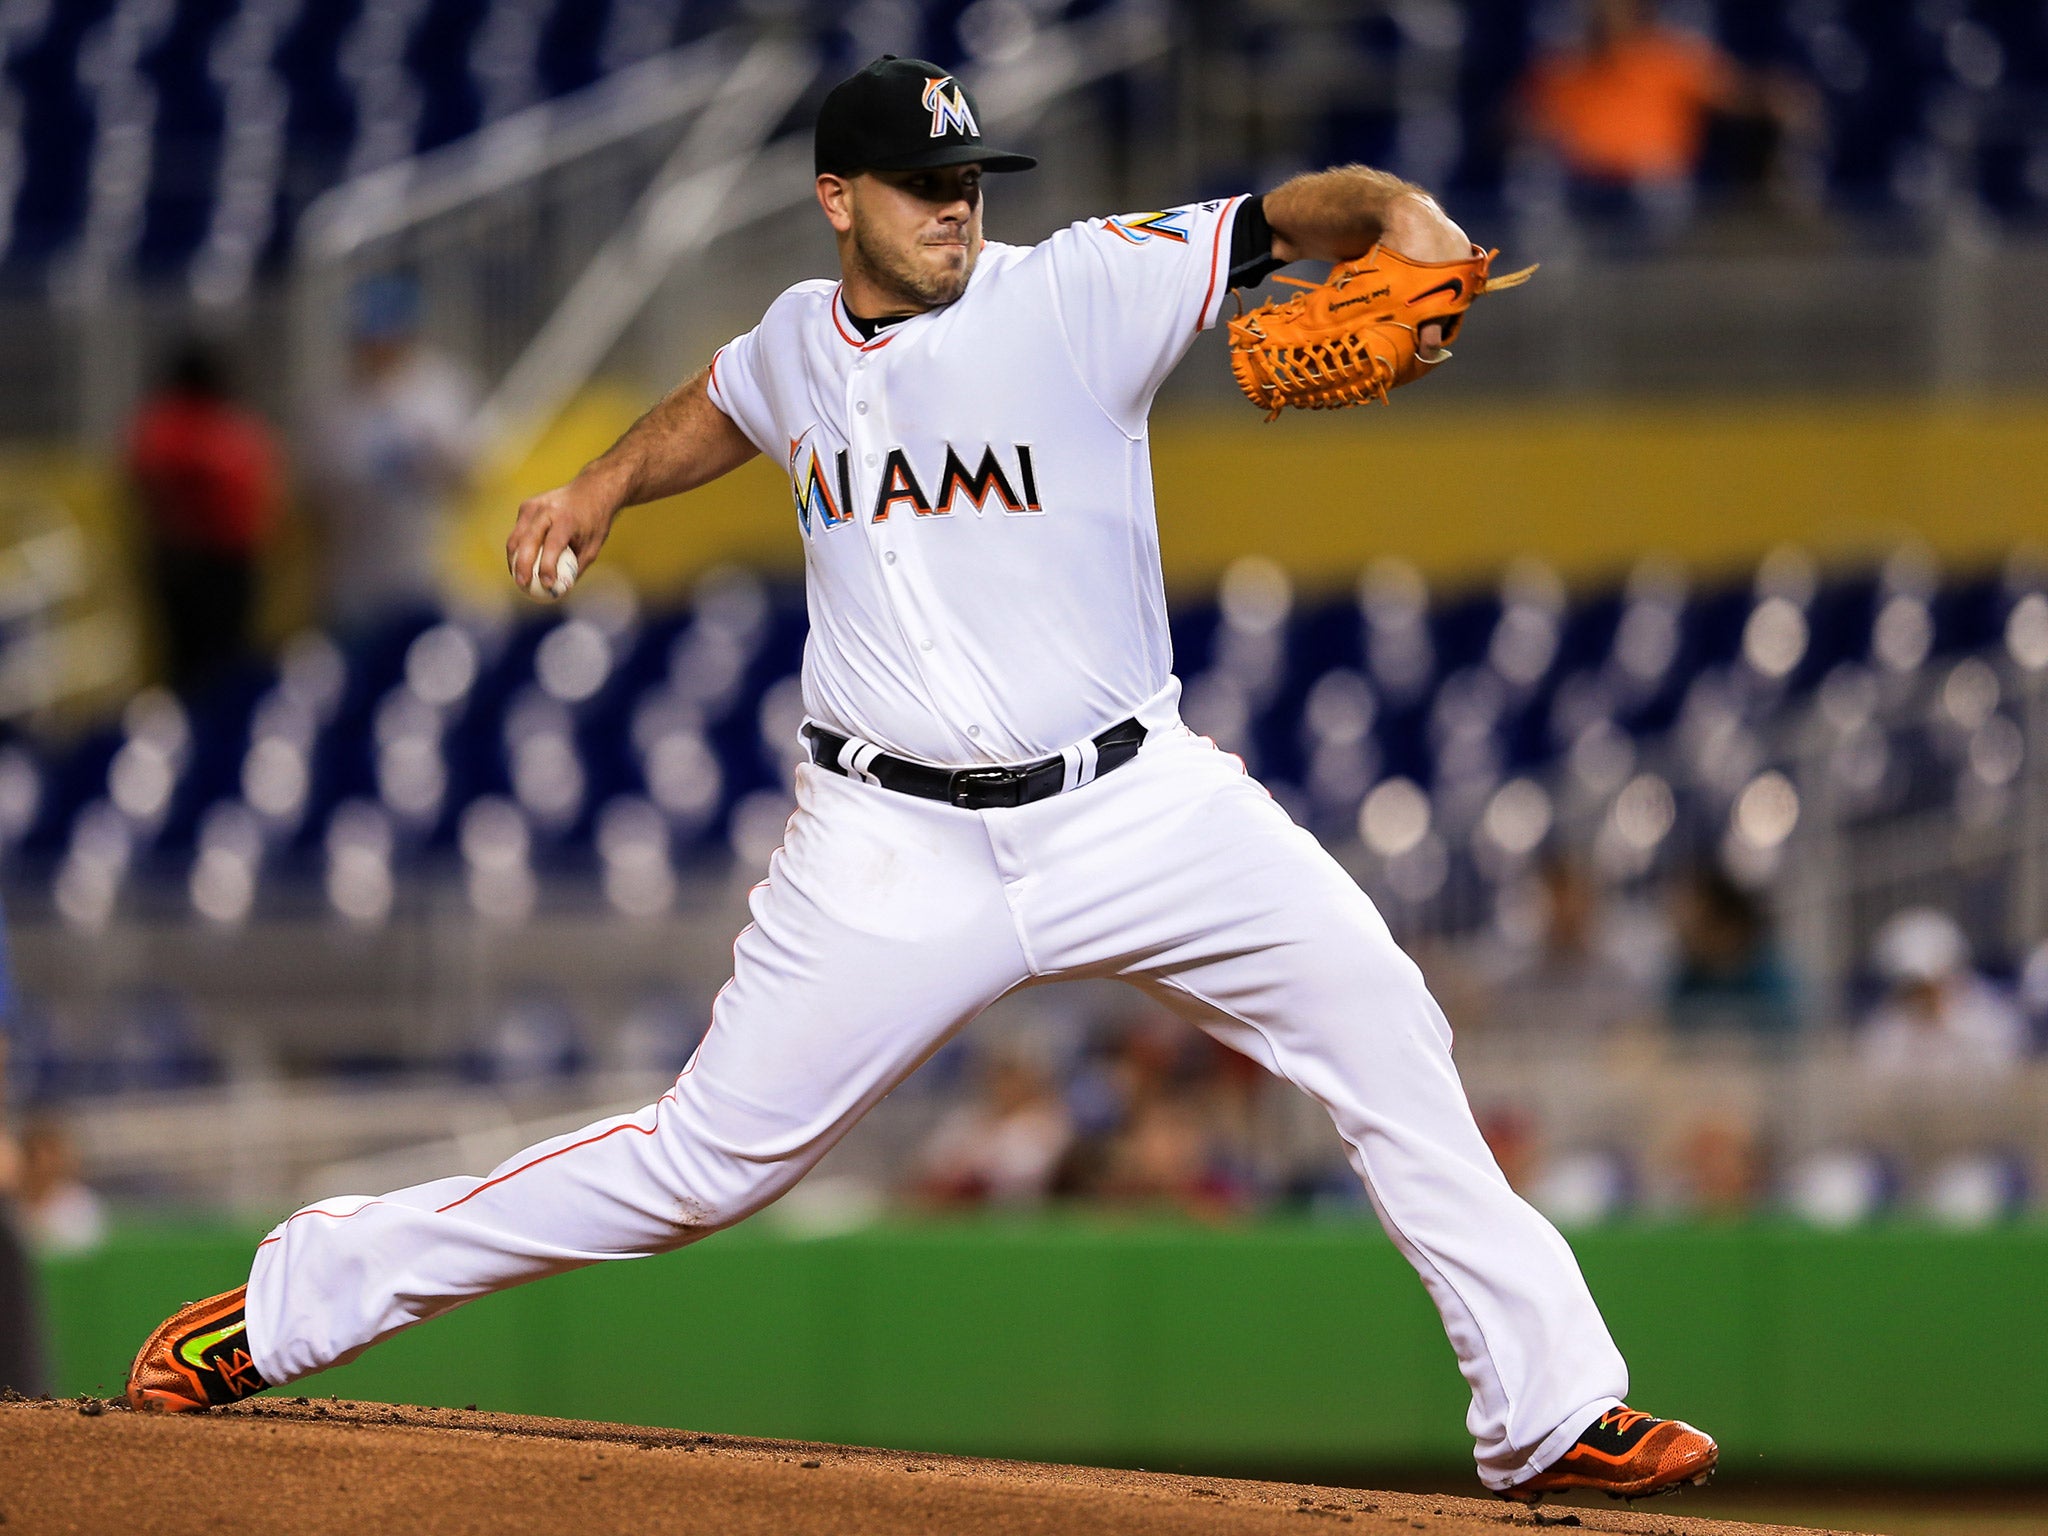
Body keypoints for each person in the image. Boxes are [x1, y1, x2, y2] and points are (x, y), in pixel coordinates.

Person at [129, 58, 1717, 1504]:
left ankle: (1551, 1409)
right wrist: (606, 480)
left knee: (1382, 1019)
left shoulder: (1086, 287)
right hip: (890, 843)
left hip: (1135, 804)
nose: (959, 206)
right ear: (838, 200)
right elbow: (723, 405)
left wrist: (1408, 218)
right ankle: (297, 1301)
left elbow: (1301, 215)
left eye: (971, 181)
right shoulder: (790, 343)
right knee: (704, 1162)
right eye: (922, 184)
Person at [1517, 0, 1810, 232]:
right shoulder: (1564, 67)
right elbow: (1518, 124)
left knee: (1657, 192)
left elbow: (1742, 95)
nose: (1606, 13)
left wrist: (1781, 97)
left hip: (1654, 189)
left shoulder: (1672, 58)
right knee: (1541, 194)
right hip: (1583, 189)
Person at [310, 274, 476, 629]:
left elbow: (469, 474)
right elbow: (316, 490)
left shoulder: (439, 388)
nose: (376, 347)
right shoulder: (332, 402)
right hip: (356, 577)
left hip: (427, 569)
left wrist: (426, 461)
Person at [124, 340, 282, 694]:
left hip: (233, 560)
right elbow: (153, 483)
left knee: (230, 658)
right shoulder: (169, 426)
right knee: (190, 664)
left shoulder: (228, 422)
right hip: (190, 562)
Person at [1856, 908, 2025, 1082]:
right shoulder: (1888, 1027)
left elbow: (2003, 1070)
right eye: (1912, 990)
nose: (1920, 1000)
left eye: (1928, 988)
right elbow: (1878, 1074)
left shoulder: (1988, 1019)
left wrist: (1951, 1026)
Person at [1665, 865, 1799, 1043]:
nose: (1686, 934)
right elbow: (1671, 1039)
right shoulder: (1686, 980)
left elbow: (1793, 1046)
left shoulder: (1774, 981)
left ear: (1729, 924)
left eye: (1700, 925)